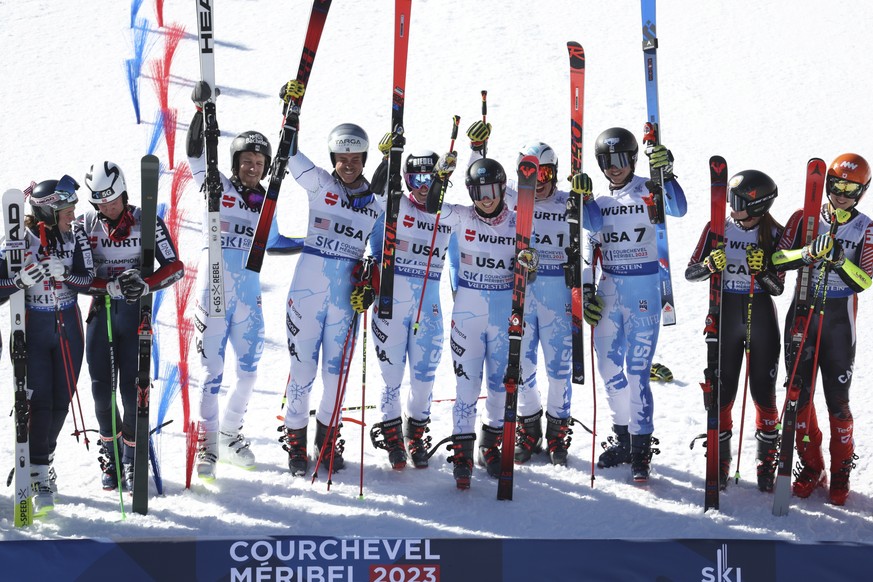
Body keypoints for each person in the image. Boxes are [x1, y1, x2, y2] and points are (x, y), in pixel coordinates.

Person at [277, 80, 384, 477]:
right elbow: (288, 154)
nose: (349, 162)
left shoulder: (375, 206)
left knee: (335, 378)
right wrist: (291, 112)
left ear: (365, 158)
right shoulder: (320, 184)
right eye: (342, 155)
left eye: (356, 156)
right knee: (302, 372)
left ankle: (327, 442)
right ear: (333, 157)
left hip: (343, 302)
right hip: (306, 294)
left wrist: (368, 288)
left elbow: (379, 255)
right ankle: (295, 444)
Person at [187, 82, 292, 480]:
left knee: (248, 372)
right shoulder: (214, 186)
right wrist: (202, 111)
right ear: (235, 162)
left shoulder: (266, 204)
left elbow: (276, 242)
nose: (253, 166)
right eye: (246, 160)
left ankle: (230, 433)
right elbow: (196, 152)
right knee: (211, 373)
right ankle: (208, 442)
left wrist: (324, 245)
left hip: (248, 294)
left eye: (259, 162)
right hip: (212, 289)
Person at [423, 147, 535, 489]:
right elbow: (431, 208)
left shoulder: (520, 220)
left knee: (501, 386)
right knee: (466, 387)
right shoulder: (460, 216)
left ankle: (490, 444)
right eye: (478, 192)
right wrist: (441, 178)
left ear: (503, 190)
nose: (486, 200)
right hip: (468, 313)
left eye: (492, 192)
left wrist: (530, 267)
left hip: (504, 314)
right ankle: (462, 451)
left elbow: (532, 268)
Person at [581, 127, 687, 482]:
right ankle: (624, 437)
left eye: (622, 159)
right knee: (609, 370)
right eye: (607, 161)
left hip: (644, 289)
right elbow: (586, 246)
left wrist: (667, 175)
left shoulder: (648, 187)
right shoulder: (599, 203)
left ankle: (642, 450)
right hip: (609, 287)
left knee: (637, 372)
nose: (615, 168)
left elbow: (678, 208)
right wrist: (586, 291)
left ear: (633, 159)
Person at [771, 153, 873, 505]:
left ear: (862, 190)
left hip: (838, 321)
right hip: (802, 312)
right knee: (797, 395)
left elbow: (865, 281)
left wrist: (840, 260)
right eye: (836, 185)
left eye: (851, 189)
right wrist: (807, 254)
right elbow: (776, 259)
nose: (841, 193)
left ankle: (842, 468)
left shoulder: (866, 228)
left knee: (837, 401)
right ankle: (813, 466)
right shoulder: (804, 217)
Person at [79, 161, 184, 491]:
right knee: (101, 392)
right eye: (100, 202)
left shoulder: (146, 220)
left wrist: (147, 284)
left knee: (131, 390)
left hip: (134, 315)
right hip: (102, 314)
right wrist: (104, 286)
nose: (107, 208)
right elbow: (76, 277)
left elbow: (176, 267)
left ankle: (131, 458)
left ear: (124, 193)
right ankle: (110, 455)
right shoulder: (85, 224)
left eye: (112, 200)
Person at [0, 176, 95, 515]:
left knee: (61, 402)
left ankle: (44, 461)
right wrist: (18, 281)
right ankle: (39, 472)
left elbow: (91, 281)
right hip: (34, 327)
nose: (73, 216)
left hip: (67, 325)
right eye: (67, 211)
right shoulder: (18, 239)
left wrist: (66, 275)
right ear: (48, 212)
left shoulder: (77, 236)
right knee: (37, 402)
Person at [685, 169, 784, 492]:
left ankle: (766, 460)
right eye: (730, 198)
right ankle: (721, 458)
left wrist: (763, 269)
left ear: (758, 206)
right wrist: (710, 266)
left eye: (738, 201)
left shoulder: (774, 233)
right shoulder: (718, 229)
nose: (731, 206)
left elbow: (778, 287)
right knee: (721, 393)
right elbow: (691, 272)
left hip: (761, 317)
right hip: (726, 315)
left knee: (763, 393)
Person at [365, 141, 453, 470]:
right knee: (391, 378)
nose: (421, 188)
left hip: (428, 310)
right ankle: (392, 438)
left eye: (429, 180)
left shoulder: (448, 214)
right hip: (389, 306)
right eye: (414, 180)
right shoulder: (393, 206)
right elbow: (374, 195)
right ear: (404, 180)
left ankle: (415, 433)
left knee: (423, 379)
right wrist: (387, 159)